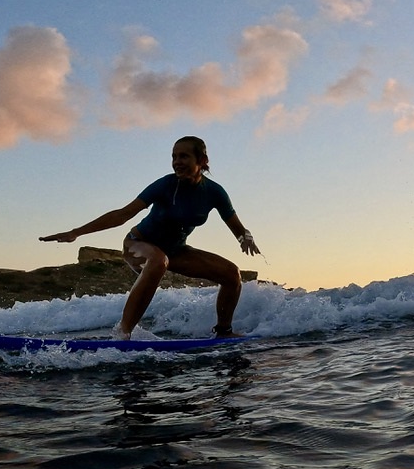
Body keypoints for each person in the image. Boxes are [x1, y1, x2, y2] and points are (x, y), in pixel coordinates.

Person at [40, 136, 261, 339]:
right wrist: (76, 232)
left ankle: (224, 331)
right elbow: (123, 214)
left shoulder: (215, 192)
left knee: (232, 274)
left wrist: (246, 239)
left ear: (202, 159)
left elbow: (238, 227)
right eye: (173, 157)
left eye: (183, 156)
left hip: (176, 251)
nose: (176, 162)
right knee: (157, 261)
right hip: (137, 244)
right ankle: (123, 333)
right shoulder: (165, 185)